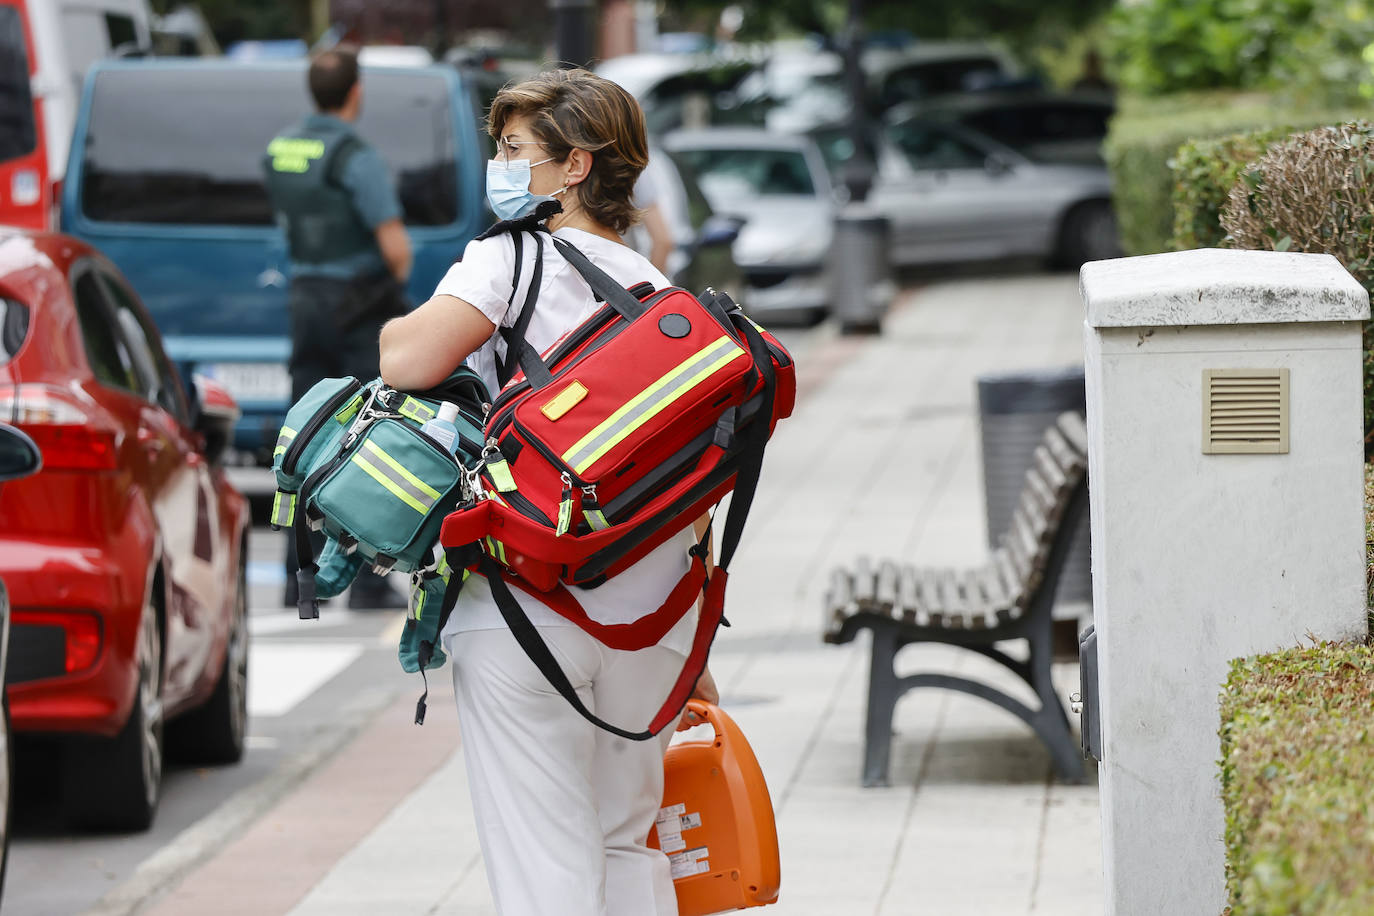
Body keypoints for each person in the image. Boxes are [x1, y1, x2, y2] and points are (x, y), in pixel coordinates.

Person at [377, 68, 719, 916]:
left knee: (546, 861)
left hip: (529, 601)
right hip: (656, 615)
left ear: (574, 167)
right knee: (628, 841)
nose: (501, 163)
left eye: (514, 149)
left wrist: (392, 325)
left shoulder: (509, 257)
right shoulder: (662, 297)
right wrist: (700, 650)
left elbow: (404, 361)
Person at [264, 45, 412, 610]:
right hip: (357, 305)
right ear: (356, 92)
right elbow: (394, 248)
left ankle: (294, 574)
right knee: (365, 436)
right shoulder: (356, 156)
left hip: (305, 300)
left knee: (300, 435)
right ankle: (366, 580)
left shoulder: (283, 149)